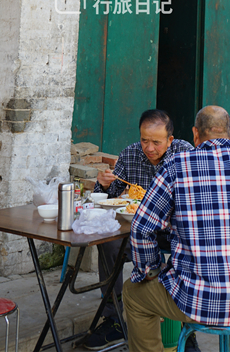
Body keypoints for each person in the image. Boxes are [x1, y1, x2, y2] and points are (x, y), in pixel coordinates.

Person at [122, 105, 230, 352]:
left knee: (133, 294)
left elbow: (140, 228)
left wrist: (150, 269)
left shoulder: (175, 167)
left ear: (195, 134)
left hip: (195, 303)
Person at [83, 109, 198, 351]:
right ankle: (113, 319)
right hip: (138, 232)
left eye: (156, 142)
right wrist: (102, 184)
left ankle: (186, 333)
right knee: (108, 244)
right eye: (144, 140)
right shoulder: (130, 154)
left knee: (188, 250)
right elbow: (109, 198)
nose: (149, 147)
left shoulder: (186, 154)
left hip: (176, 234)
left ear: (170, 140)